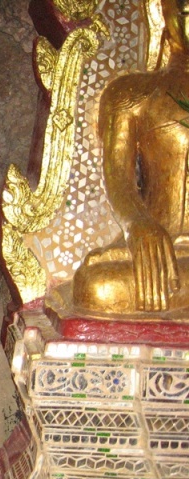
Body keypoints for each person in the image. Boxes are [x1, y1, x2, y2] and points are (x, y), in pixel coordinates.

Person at [74, 0, 189, 314]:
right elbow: (118, 179)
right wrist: (138, 224)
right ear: (160, 10)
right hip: (162, 248)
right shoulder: (130, 94)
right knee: (98, 286)